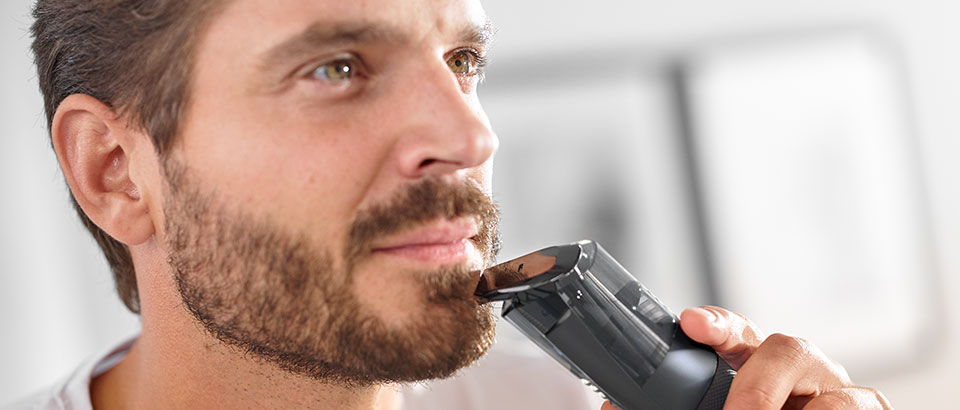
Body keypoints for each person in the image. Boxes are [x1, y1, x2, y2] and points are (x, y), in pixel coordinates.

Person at [7, 0, 893, 409]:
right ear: (117, 170)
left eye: (462, 64)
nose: (472, 138)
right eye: (337, 68)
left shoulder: (549, 401)